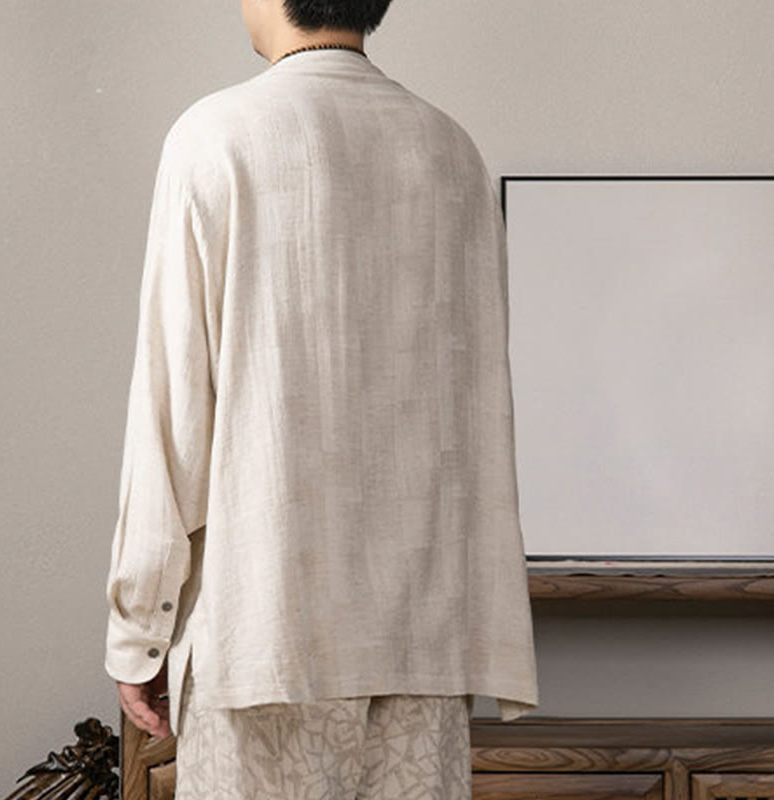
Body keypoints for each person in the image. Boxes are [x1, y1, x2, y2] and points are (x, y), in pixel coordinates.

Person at [103, 0, 539, 796]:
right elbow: (478, 415)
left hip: (265, 634)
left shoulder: (217, 137)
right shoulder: (451, 151)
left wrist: (141, 629)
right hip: (425, 642)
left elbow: (172, 411)